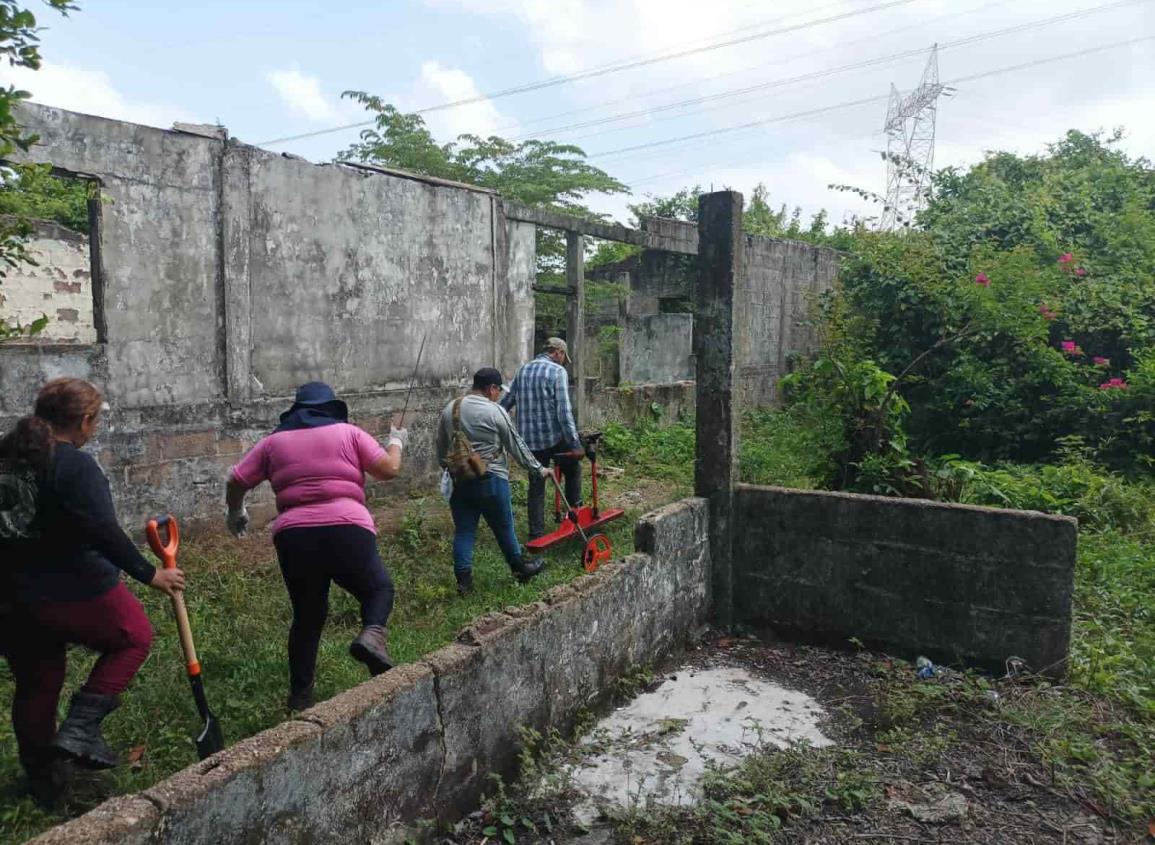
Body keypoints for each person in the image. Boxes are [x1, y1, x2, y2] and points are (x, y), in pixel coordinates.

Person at [0, 378, 185, 806]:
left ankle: (45, 783)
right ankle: (81, 728)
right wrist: (149, 574)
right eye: (96, 421)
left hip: (11, 597)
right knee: (134, 636)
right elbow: (102, 531)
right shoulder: (74, 466)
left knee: (38, 682)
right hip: (74, 587)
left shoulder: (8, 456)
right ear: (84, 421)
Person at [224, 382, 405, 711]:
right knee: (378, 589)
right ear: (331, 408)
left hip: (294, 536)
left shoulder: (272, 443)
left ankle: (300, 697)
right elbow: (389, 470)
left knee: (307, 616)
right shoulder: (349, 433)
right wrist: (396, 440)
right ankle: (372, 636)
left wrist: (236, 511)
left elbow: (236, 479)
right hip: (347, 527)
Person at [437, 367, 552, 595]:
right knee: (504, 526)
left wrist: (449, 468)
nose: (499, 395)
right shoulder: (495, 412)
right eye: (498, 390)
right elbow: (516, 445)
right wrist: (539, 469)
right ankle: (520, 569)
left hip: (461, 481)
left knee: (465, 531)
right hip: (492, 479)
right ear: (491, 389)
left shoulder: (450, 410)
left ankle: (464, 583)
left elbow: (441, 446)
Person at [501, 337, 584, 541]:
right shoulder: (557, 372)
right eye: (564, 357)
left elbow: (506, 404)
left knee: (536, 485)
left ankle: (536, 534)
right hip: (553, 438)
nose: (564, 362)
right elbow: (564, 412)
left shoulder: (523, 370)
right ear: (558, 352)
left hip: (529, 442)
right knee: (573, 469)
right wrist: (575, 444)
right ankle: (574, 517)